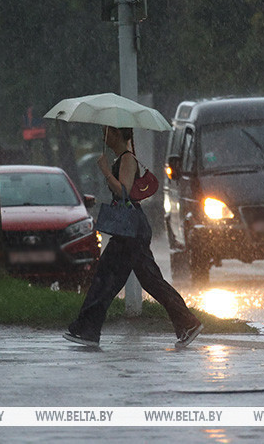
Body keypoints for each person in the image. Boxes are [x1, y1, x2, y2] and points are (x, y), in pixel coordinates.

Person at [64, 126, 203, 349]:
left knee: (106, 278)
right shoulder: (124, 158)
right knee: (147, 279)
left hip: (130, 228)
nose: (103, 137)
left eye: (107, 132)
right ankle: (188, 323)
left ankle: (87, 328)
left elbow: (124, 192)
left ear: (118, 134)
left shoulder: (127, 159)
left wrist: (106, 172)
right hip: (131, 228)